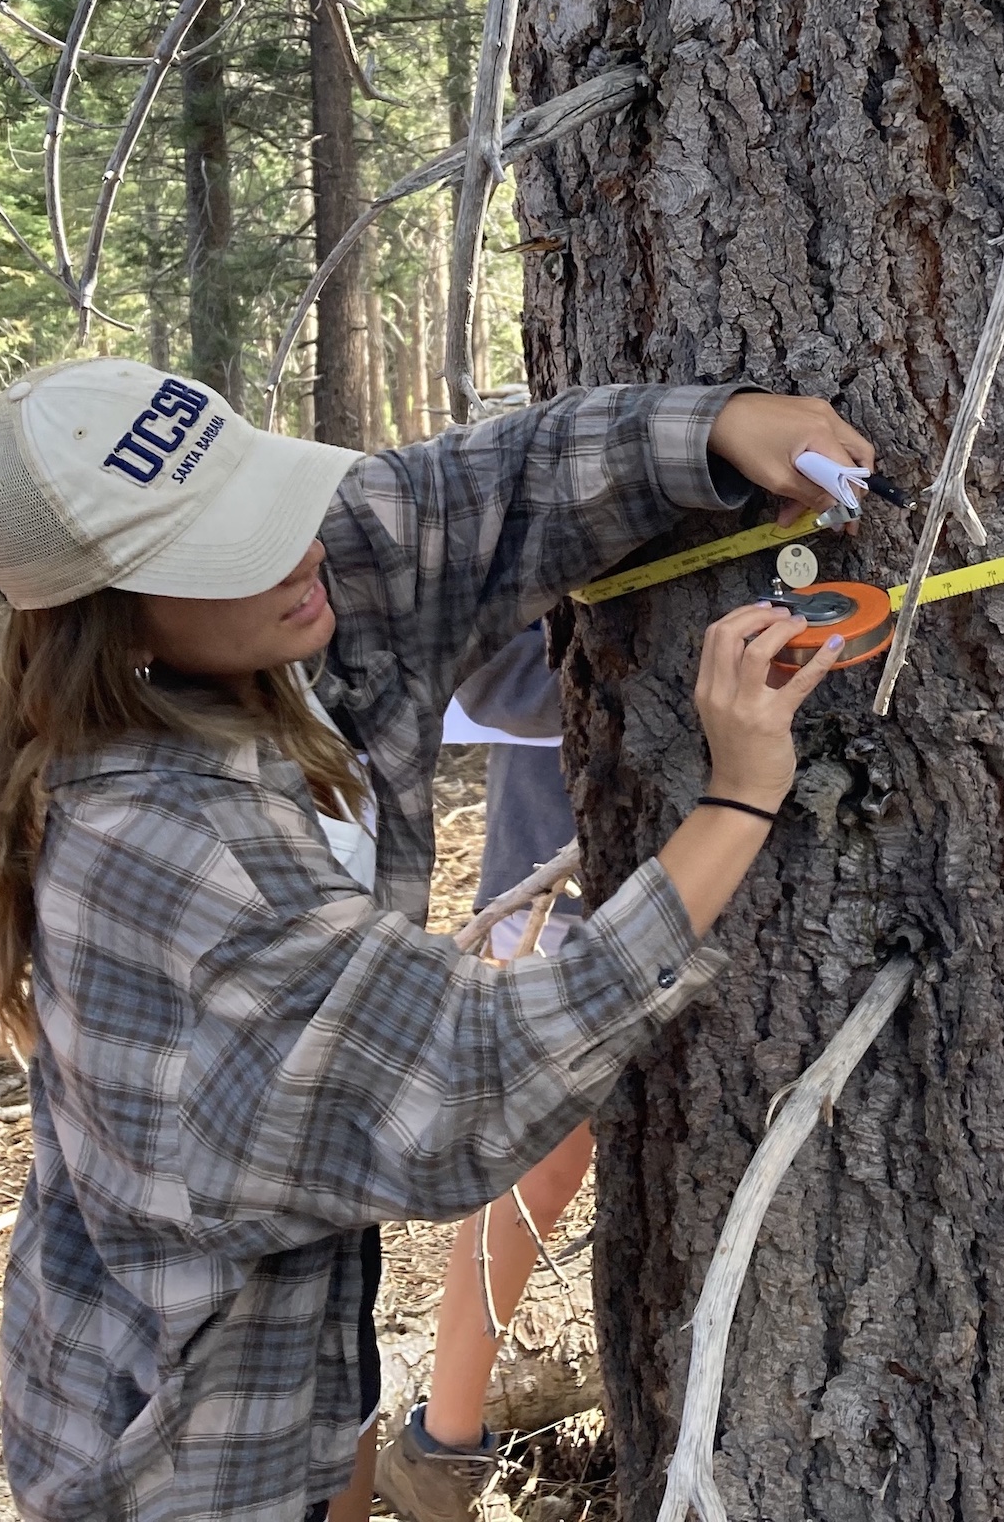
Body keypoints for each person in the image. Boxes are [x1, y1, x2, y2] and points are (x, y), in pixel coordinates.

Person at [0, 361, 871, 1522]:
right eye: (235, 547)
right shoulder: (161, 838)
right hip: (177, 1435)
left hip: (305, 1371)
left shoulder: (267, 617)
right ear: (113, 614)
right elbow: (471, 1072)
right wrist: (736, 801)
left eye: (269, 506)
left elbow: (462, 500)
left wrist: (710, 428)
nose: (298, 551)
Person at [377, 627, 593, 1522]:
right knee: (538, 1164)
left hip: (757, 885)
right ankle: (444, 1447)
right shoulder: (567, 504)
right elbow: (487, 674)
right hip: (556, 899)